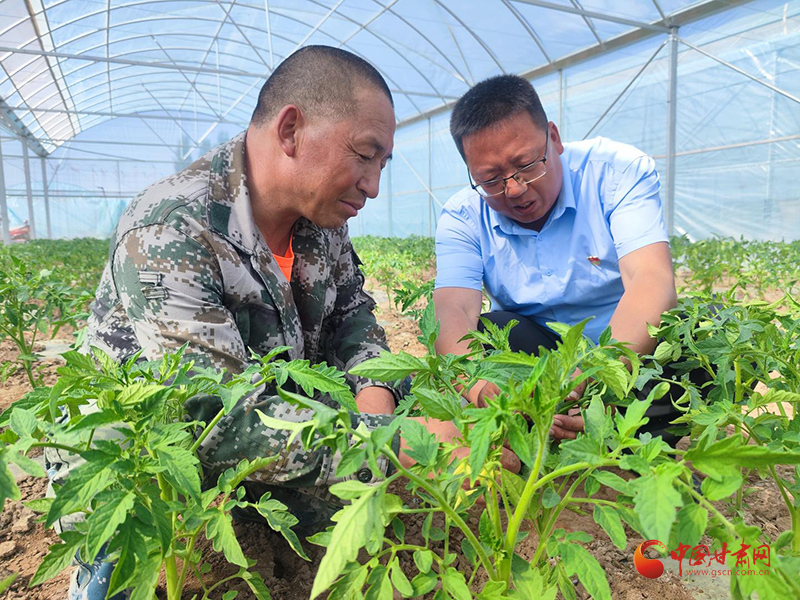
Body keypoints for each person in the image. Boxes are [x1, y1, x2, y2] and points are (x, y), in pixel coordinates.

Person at [48, 46, 511, 600]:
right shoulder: (171, 227)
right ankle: (100, 572)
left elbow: (354, 321)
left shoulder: (320, 218)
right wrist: (390, 447)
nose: (373, 185)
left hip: (276, 415)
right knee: (133, 533)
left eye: (383, 164)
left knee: (411, 395)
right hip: (160, 450)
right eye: (365, 155)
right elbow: (214, 415)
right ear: (290, 130)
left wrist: (376, 405)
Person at [433, 74, 679, 442]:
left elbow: (650, 280)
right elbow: (453, 310)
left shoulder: (616, 171)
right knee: (487, 332)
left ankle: (611, 426)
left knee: (702, 334)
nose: (514, 189)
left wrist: (602, 381)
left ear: (554, 138)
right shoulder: (463, 216)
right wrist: (479, 386)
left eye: (527, 164)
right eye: (490, 179)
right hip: (537, 356)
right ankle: (549, 422)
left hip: (626, 353)